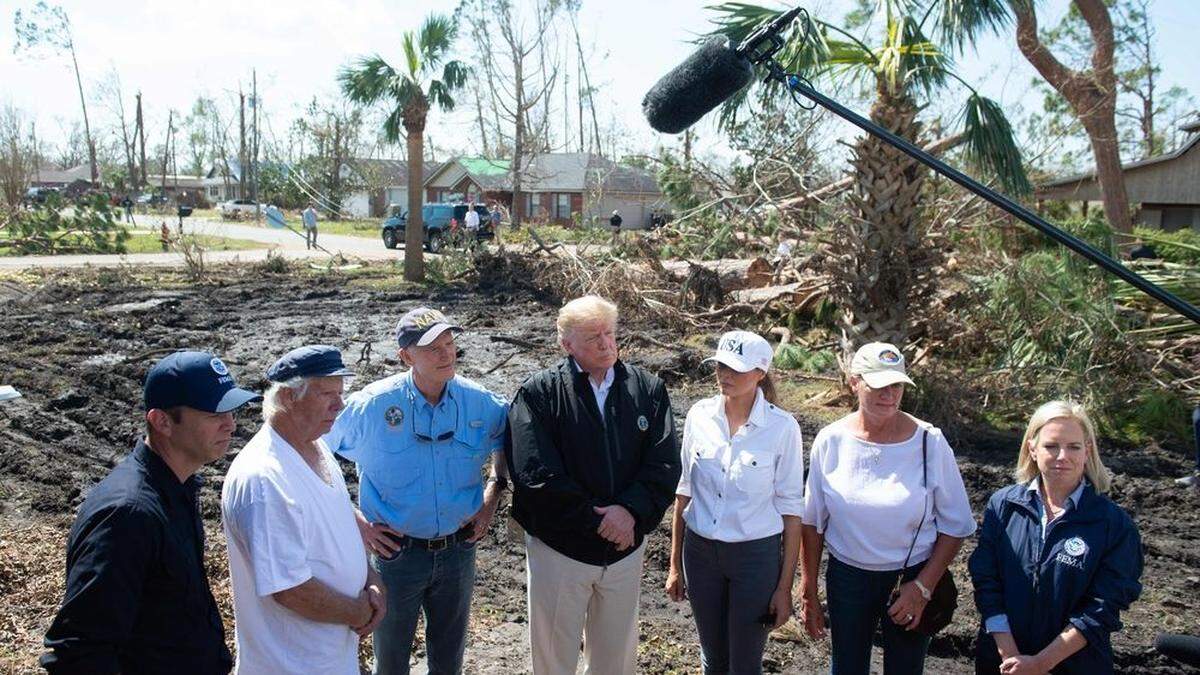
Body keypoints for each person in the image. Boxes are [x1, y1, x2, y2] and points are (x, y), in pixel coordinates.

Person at [41, 351, 261, 675]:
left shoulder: (178, 487)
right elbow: (79, 652)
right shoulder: (127, 516)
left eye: (231, 411)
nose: (231, 424)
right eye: (215, 413)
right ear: (162, 422)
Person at [324, 307, 509, 675]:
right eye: (431, 348)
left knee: (449, 659)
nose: (445, 354)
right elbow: (314, 450)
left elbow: (507, 438)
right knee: (390, 661)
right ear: (405, 356)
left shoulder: (479, 402)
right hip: (397, 555)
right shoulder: (373, 406)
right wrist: (354, 519)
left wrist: (493, 492)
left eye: (449, 343)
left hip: (459, 551)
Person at [506, 294, 681, 675]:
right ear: (566, 345)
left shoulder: (648, 390)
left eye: (609, 333)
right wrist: (599, 521)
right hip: (561, 552)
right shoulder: (538, 394)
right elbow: (535, 475)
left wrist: (630, 513)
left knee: (615, 662)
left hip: (624, 552)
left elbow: (664, 463)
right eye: (592, 337)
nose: (605, 344)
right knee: (554, 660)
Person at [798, 342, 976, 675]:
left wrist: (923, 588)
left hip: (911, 577)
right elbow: (812, 522)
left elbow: (957, 525)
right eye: (878, 384)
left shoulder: (929, 442)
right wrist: (809, 590)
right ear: (854, 382)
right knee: (847, 668)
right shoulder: (831, 440)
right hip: (848, 578)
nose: (889, 394)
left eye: (896, 385)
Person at [221, 346, 386, 674]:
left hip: (328, 658)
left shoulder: (317, 446)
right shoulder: (266, 480)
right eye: (327, 394)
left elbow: (336, 523)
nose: (339, 405)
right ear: (287, 397)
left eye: (341, 393)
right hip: (291, 664)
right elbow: (290, 589)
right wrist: (358, 612)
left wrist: (371, 579)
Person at [968, 401, 1143, 675]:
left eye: (1073, 447)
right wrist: (1011, 656)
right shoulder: (1002, 506)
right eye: (1051, 446)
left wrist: (1040, 664)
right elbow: (986, 582)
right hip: (1002, 663)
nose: (1062, 456)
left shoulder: (1114, 524)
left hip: (1076, 666)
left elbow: (1102, 608)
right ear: (1032, 449)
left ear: (1087, 451)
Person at [666, 330, 805, 674]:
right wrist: (674, 565)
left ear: (760, 373)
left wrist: (785, 587)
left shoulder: (782, 428)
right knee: (713, 658)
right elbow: (685, 491)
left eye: (736, 369)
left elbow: (791, 513)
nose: (725, 376)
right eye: (720, 367)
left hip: (754, 559)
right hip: (700, 555)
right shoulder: (699, 415)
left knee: (745, 663)